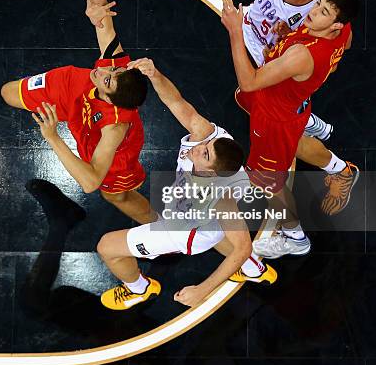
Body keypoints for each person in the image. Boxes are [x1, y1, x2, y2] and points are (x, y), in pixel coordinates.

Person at [97, 58, 277, 311]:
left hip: (184, 233)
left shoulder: (221, 199)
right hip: (201, 218)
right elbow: (175, 101)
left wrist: (202, 290)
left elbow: (242, 245)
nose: (198, 147)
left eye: (205, 154)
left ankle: (138, 289)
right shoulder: (206, 136)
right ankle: (254, 269)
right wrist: (155, 74)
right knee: (216, 231)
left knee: (107, 247)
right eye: (206, 146)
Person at [242, 0, 359, 214]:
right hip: (270, 53)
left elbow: (258, 78)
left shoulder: (311, 21)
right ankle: (309, 121)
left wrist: (235, 32)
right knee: (258, 101)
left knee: (272, 145)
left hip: (274, 65)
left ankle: (291, 232)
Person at [221, 0, 359, 258]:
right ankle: (341, 169)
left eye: (324, 13)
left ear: (334, 26)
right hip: (293, 103)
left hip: (274, 118)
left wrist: (236, 31)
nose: (314, 12)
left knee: (267, 181)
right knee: (295, 140)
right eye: (319, 4)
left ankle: (295, 237)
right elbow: (344, 45)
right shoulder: (343, 31)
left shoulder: (302, 56)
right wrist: (286, 38)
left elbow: (249, 82)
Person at [0, 0, 156, 226]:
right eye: (112, 70)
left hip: (110, 157)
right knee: (8, 92)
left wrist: (52, 137)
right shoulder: (117, 69)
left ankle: (161, 230)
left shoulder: (114, 128)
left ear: (109, 99)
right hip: (73, 91)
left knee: (114, 195)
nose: (101, 69)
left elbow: (90, 182)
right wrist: (96, 9)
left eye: (106, 79)